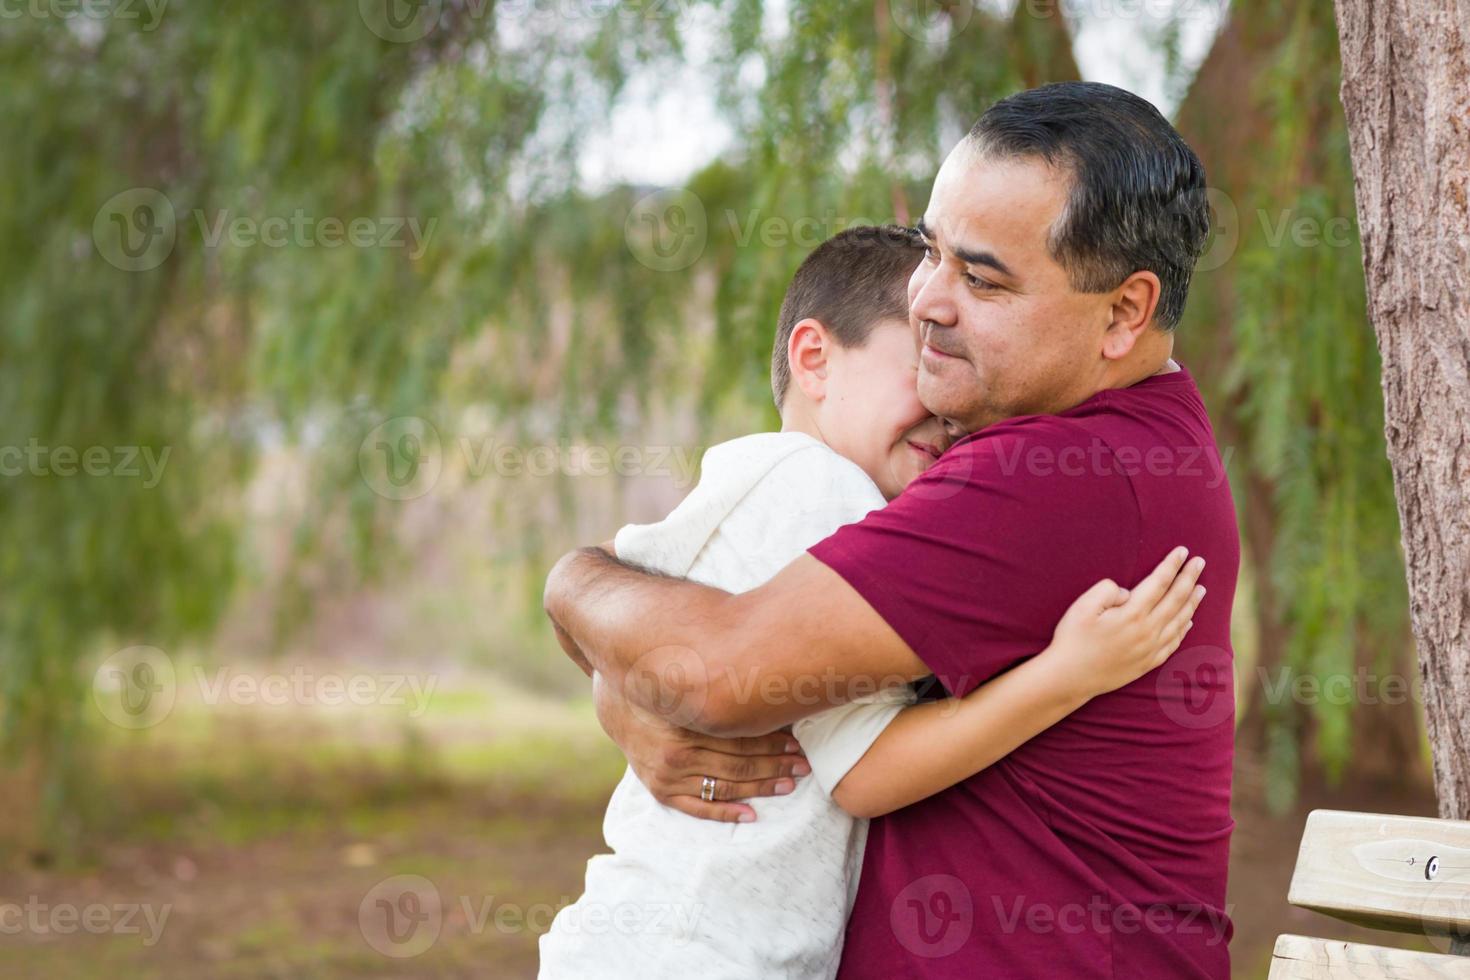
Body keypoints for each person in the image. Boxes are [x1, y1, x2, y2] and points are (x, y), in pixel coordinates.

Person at [545, 82, 1239, 978]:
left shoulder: (1052, 478)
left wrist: (571, 587)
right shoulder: (1111, 439)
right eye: (929, 252)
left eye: (982, 278)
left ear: (1123, 313)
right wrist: (624, 684)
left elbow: (714, 674)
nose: (928, 303)